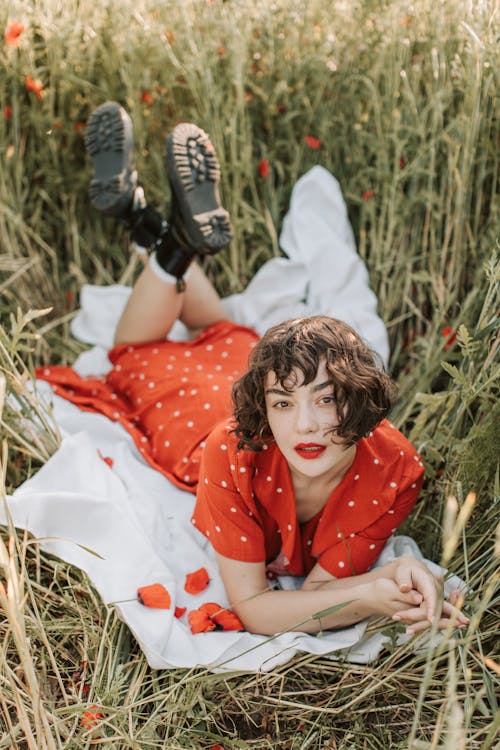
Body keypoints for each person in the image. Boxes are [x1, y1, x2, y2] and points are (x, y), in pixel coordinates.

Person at [38, 102, 468, 637]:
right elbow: (258, 610)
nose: (306, 425)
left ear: (360, 398)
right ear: (266, 403)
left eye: (328, 399)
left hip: (240, 364)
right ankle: (166, 241)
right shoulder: (231, 449)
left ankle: (153, 227)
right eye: (286, 403)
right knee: (136, 352)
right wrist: (367, 597)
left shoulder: (392, 470)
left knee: (218, 330)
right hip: (200, 405)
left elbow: (315, 596)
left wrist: (384, 583)